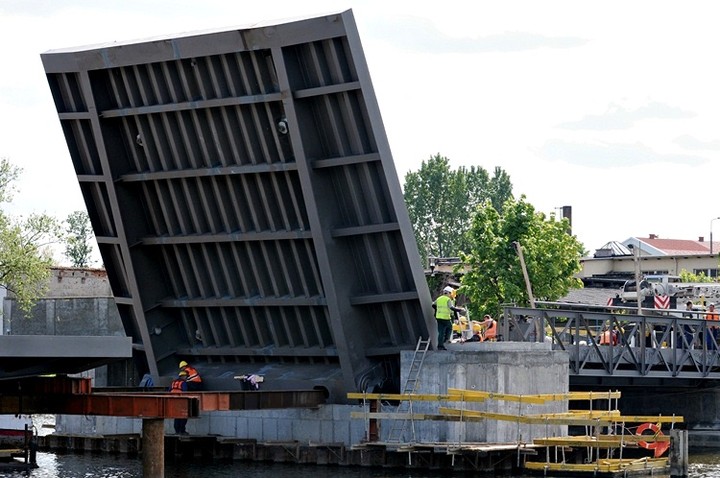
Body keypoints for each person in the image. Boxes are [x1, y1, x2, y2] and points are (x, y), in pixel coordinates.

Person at [433, 286, 464, 350]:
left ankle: (440, 346)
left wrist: (437, 311)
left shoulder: (439, 298)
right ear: (449, 293)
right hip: (446, 317)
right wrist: (460, 310)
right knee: (450, 327)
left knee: (441, 332)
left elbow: (433, 305)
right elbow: (452, 308)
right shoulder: (448, 299)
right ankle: (446, 339)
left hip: (438, 317)